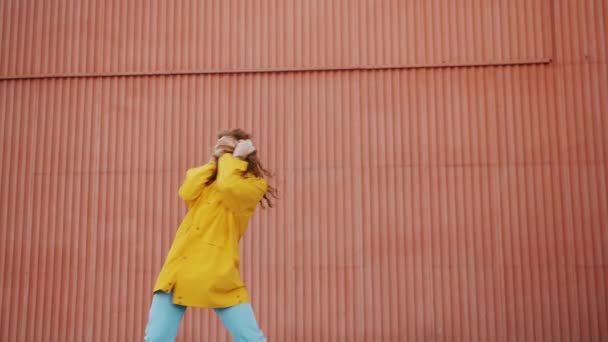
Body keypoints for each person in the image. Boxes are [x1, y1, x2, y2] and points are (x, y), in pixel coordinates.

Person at [144, 129, 277, 342]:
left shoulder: (253, 185)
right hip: (179, 268)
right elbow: (187, 190)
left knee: (250, 338)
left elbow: (228, 186)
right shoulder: (207, 181)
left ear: (242, 153)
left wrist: (235, 158)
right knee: (156, 338)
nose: (222, 155)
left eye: (227, 149)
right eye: (219, 149)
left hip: (218, 270)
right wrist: (212, 161)